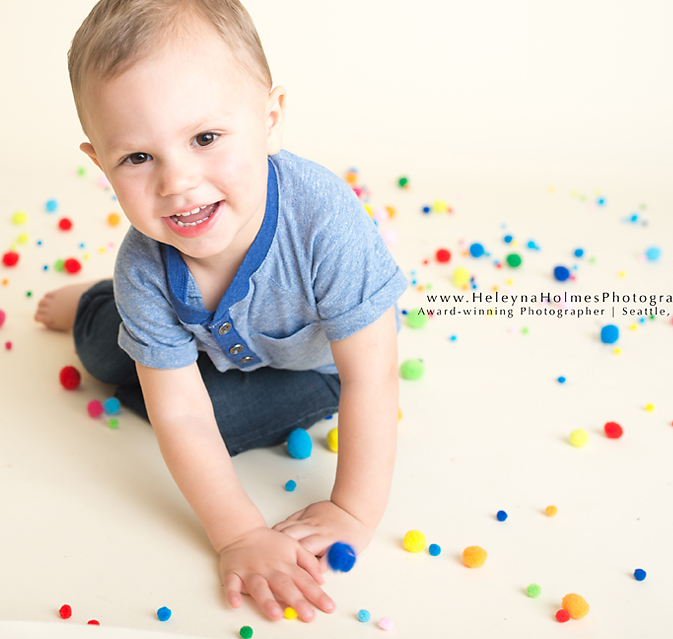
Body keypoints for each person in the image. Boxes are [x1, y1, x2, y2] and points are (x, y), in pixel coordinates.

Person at [35, 0, 407, 622]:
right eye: (137, 157)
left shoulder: (322, 222)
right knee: (102, 353)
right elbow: (179, 412)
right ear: (100, 162)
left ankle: (149, 348)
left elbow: (373, 375)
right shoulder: (145, 266)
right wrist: (238, 534)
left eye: (205, 138)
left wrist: (352, 512)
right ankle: (99, 305)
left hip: (311, 365)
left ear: (269, 117)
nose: (176, 182)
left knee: (224, 425)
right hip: (197, 342)